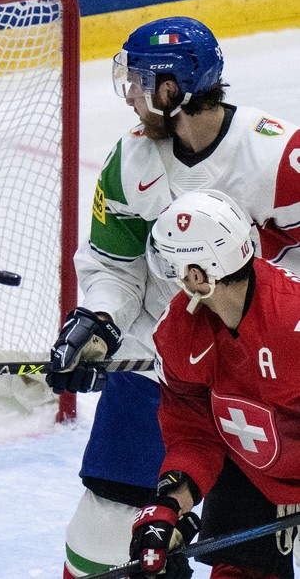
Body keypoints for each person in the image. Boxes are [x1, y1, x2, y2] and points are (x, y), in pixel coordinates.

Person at [45, 15, 300, 578]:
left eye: (138, 83)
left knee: (244, 554)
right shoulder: (129, 161)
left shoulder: (280, 157)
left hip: (268, 377)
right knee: (105, 526)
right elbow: (115, 265)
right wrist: (101, 319)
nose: (130, 96)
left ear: (170, 90)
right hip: (168, 364)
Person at [129, 189, 300, 578]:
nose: (172, 277)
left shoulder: (293, 321)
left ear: (197, 276)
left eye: (174, 266)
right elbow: (192, 433)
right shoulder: (178, 332)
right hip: (250, 475)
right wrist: (170, 505)